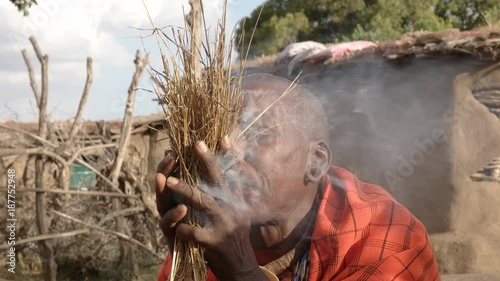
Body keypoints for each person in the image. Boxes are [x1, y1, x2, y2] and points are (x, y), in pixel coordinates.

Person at [155, 74, 440, 281]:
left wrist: (241, 272)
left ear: (315, 162)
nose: (230, 151)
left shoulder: (386, 236)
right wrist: (187, 262)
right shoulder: (213, 240)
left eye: (258, 135)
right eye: (221, 137)